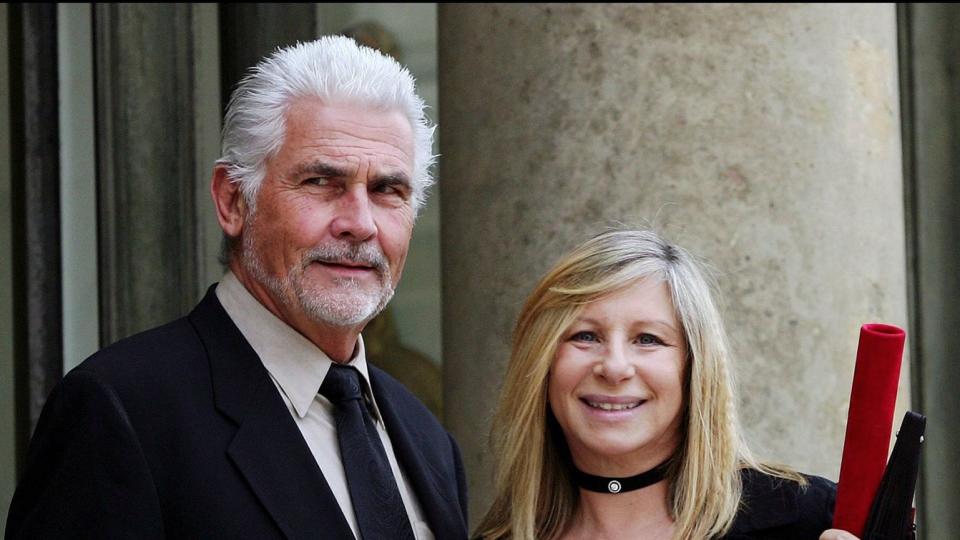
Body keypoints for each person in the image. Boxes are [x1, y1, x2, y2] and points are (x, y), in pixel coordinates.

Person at [6, 36, 467, 539]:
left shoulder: (426, 440)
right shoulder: (122, 412)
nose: (359, 223)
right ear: (232, 201)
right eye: (320, 182)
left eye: (387, 190)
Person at [474, 228, 857, 540]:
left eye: (647, 340)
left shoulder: (811, 522)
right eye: (585, 336)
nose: (614, 367)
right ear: (542, 362)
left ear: (694, 367)